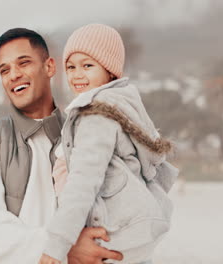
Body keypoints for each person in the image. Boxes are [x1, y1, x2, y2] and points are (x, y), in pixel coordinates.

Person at [0, 28, 123, 264]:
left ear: (49, 67)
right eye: (4, 70)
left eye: (23, 63)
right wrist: (65, 249)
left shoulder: (88, 135)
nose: (13, 74)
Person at [39, 24, 179, 264]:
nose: (77, 75)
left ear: (110, 71)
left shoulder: (96, 116)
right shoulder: (122, 106)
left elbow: (83, 182)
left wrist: (56, 244)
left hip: (106, 234)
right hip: (131, 234)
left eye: (87, 65)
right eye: (71, 67)